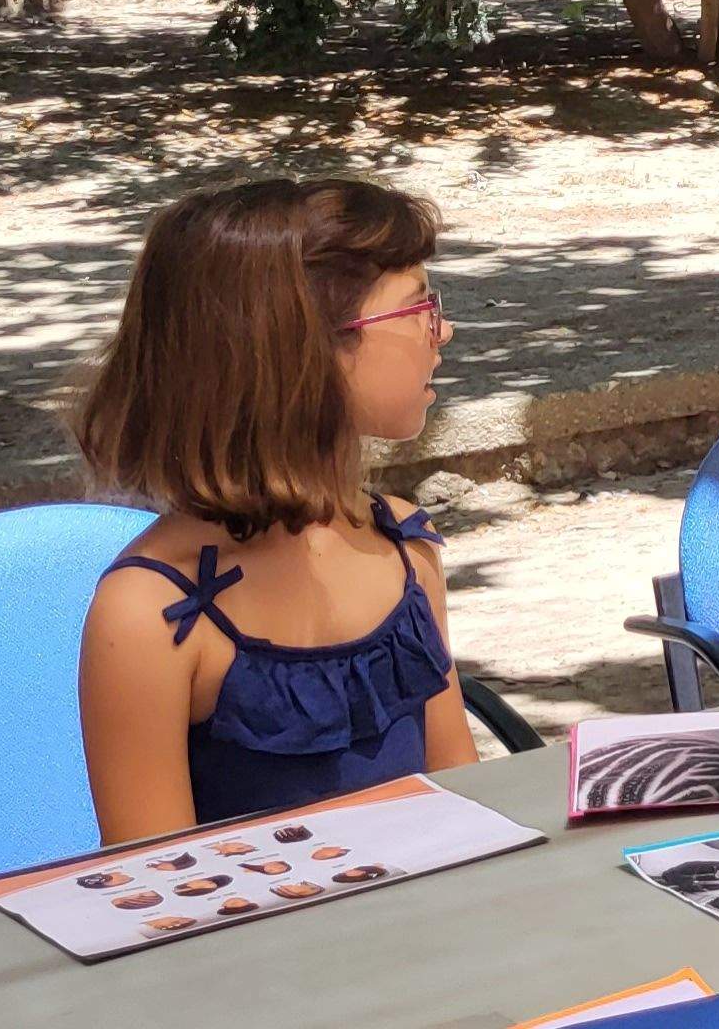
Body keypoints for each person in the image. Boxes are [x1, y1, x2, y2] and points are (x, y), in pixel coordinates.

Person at [74, 179, 472, 841]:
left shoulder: (406, 547)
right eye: (418, 309)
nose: (445, 331)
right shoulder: (148, 616)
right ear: (302, 351)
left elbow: (465, 806)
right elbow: (160, 897)